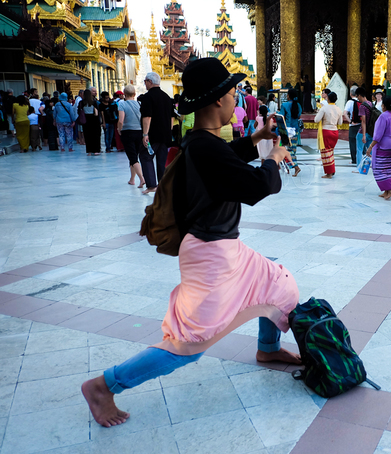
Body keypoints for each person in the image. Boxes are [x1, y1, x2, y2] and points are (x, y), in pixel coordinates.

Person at [81, 57, 301, 428]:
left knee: (281, 288)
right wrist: (274, 159)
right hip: (210, 256)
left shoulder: (201, 141)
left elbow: (225, 161)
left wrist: (256, 140)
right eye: (233, 95)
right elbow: (256, 187)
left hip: (227, 249)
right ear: (218, 101)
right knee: (188, 346)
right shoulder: (203, 146)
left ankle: (267, 349)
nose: (236, 100)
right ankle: (104, 386)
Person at [141, 72, 174, 194]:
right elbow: (172, 117)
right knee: (162, 160)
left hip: (153, 134)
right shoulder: (166, 97)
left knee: (145, 156)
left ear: (150, 82)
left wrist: (145, 134)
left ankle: (151, 185)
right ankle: (163, 184)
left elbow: (147, 116)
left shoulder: (148, 97)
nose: (145, 84)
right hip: (165, 134)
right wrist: (169, 131)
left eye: (145, 82)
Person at [366, 95, 391, 199]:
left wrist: (370, 147)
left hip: (383, 146)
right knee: (388, 168)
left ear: (384, 105)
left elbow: (378, 135)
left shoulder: (383, 116)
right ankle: (386, 191)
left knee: (380, 169)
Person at [117, 84, 145, 188]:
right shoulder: (139, 104)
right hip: (139, 132)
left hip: (127, 132)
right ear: (134, 94)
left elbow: (121, 120)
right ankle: (132, 179)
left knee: (132, 157)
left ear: (124, 94)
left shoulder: (122, 104)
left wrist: (119, 129)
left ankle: (141, 179)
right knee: (134, 156)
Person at [314, 91, 343, 178]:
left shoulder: (324, 108)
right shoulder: (338, 109)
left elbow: (316, 120)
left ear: (328, 99)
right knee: (330, 152)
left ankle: (329, 173)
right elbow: (340, 122)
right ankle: (332, 170)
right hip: (335, 131)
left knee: (326, 152)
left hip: (326, 131)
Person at [279, 88, 303, 176]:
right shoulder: (298, 105)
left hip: (287, 130)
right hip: (295, 129)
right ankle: (290, 167)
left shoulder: (284, 105)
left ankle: (295, 167)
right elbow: (299, 116)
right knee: (293, 149)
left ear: (288, 96)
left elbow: (281, 116)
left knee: (287, 150)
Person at [343, 87, 362, 164]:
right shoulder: (361, 101)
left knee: (352, 142)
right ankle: (361, 158)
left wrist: (350, 121)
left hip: (353, 125)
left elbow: (345, 113)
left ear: (350, 94)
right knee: (360, 142)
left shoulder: (349, 102)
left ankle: (354, 159)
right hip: (361, 124)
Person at [80, 89, 101, 155]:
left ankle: (89, 151)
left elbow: (79, 111)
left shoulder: (82, 102)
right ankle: (96, 150)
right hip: (94, 119)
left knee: (87, 136)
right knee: (95, 135)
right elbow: (97, 111)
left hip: (86, 120)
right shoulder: (94, 102)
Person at [355, 87, 374, 157]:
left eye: (357, 96)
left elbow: (363, 121)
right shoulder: (371, 104)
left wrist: (363, 135)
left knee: (359, 150)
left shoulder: (362, 106)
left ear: (359, 95)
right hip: (370, 131)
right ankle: (371, 166)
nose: (357, 98)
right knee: (370, 150)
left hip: (363, 132)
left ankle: (359, 167)